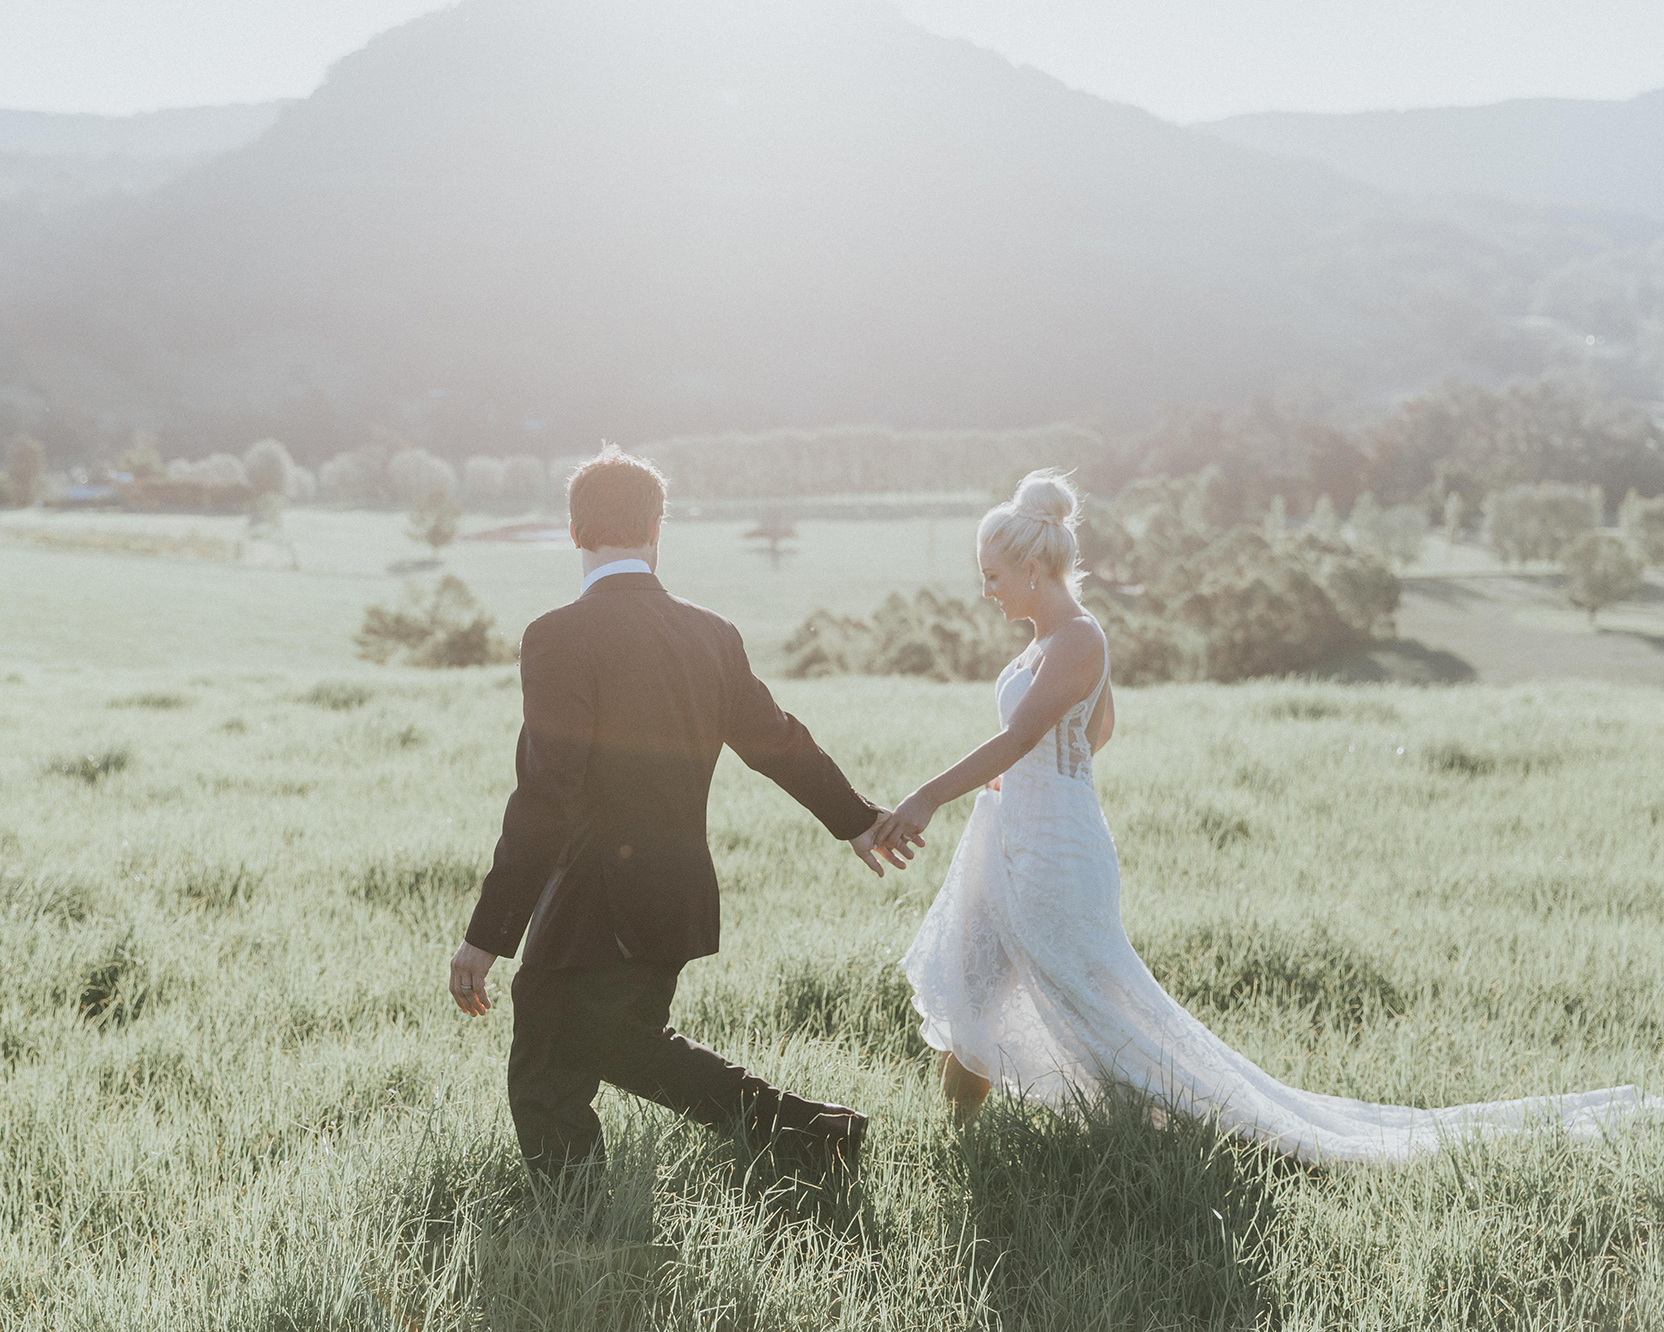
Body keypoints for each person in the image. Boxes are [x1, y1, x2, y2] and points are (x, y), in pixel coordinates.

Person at [877, 468, 1660, 1163]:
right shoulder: (1051, 640)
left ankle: (1185, 1134)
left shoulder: (1077, 637)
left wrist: (928, 798)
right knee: (976, 987)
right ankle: (966, 1147)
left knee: (1095, 1012)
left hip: (1053, 856)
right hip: (1025, 835)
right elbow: (1094, 731)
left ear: (1034, 566)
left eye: (992, 574)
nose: (985, 590)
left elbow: (1023, 736)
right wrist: (1044, 780)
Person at [450, 444, 906, 1177]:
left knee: (559, 1059)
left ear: (573, 531)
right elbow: (777, 742)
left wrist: (488, 933)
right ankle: (808, 1141)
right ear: (657, 528)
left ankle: (800, 1142)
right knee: (603, 1046)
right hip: (675, 891)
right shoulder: (710, 634)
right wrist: (853, 818)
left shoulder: (558, 636)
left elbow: (547, 792)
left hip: (595, 897)